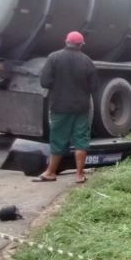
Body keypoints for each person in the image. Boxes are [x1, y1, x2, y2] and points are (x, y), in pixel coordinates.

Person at [33, 31, 99, 184]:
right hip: (81, 108)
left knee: (58, 139)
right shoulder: (87, 61)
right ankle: (79, 175)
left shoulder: (54, 58)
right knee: (81, 140)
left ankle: (50, 172)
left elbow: (45, 82)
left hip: (60, 107)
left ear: (66, 42)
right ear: (80, 45)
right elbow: (94, 86)